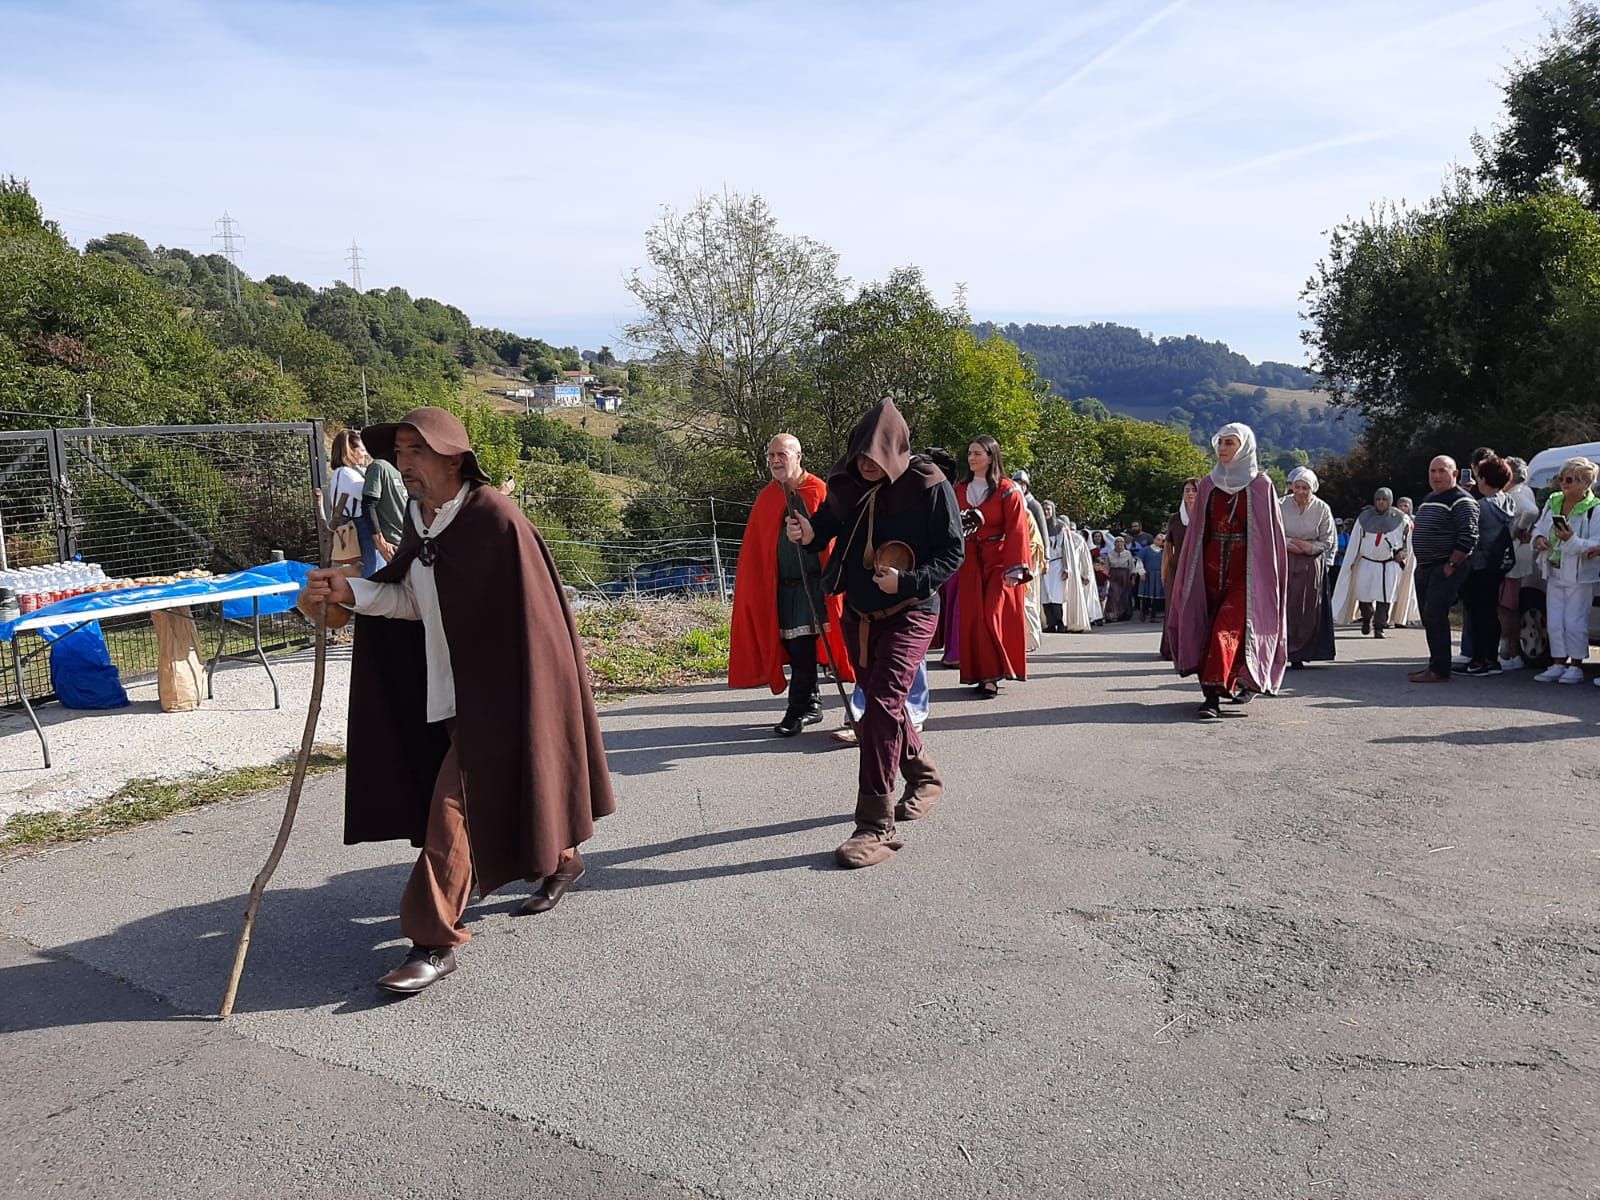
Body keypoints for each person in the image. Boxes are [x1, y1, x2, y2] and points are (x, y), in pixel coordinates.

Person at [302, 406, 615, 994]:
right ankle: (562, 858)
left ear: (452, 456)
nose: (402, 463)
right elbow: (413, 603)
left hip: (501, 698)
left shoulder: (494, 518)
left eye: (414, 451)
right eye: (397, 453)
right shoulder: (425, 522)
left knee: (455, 809)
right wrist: (352, 590)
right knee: (502, 794)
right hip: (450, 692)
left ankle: (433, 939)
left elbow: (534, 626)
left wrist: (512, 696)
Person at [787, 399, 964, 868]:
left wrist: (906, 581)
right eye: (860, 456)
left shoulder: (930, 485)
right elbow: (825, 527)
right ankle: (924, 775)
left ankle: (874, 825)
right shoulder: (845, 484)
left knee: (882, 705)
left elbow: (952, 553)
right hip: (860, 615)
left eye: (874, 458)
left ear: (893, 452)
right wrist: (806, 532)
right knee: (883, 703)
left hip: (912, 610)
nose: (865, 466)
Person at [727, 434, 854, 737]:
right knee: (798, 650)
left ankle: (800, 708)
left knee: (810, 649)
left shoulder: (818, 490)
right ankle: (809, 704)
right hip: (784, 591)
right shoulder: (767, 498)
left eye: (781, 454)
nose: (774, 461)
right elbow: (756, 550)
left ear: (798, 456)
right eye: (770, 456)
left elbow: (835, 539)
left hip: (818, 588)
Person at [1165, 423, 1287, 719]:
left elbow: (1271, 537)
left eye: (1229, 443)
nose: (1222, 449)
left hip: (1247, 572)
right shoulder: (1208, 484)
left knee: (1227, 628)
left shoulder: (1261, 486)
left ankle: (1212, 696)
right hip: (1208, 568)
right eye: (1220, 442)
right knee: (1206, 627)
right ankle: (1227, 685)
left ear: (1244, 447)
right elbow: (1197, 533)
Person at [955, 436, 1031, 697]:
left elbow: (1018, 531)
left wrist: (1014, 569)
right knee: (974, 617)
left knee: (992, 614)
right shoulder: (959, 490)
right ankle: (982, 674)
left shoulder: (1007, 489)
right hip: (970, 561)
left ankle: (995, 674)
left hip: (998, 560)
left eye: (977, 453)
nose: (971, 458)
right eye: (969, 453)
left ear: (991, 456)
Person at [1407, 456, 1479, 684]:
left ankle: (1439, 670)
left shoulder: (1462, 500)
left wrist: (1451, 564)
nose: (1436, 476)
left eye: (1442, 471)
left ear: (1455, 473)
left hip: (1446, 566)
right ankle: (1435, 664)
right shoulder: (1429, 498)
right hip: (1426, 567)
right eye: (1432, 471)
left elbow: (1469, 535)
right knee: (1430, 616)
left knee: (1435, 613)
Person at [1530, 456, 1600, 684]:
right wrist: (1539, 538)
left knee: (1574, 621)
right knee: (1554, 620)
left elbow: (1596, 544)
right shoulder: (1554, 501)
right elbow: (1540, 526)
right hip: (1554, 567)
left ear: (1585, 483)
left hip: (1580, 573)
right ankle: (1558, 662)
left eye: (1570, 479)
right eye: (1561, 479)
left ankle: (1576, 665)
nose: (1564, 483)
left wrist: (1572, 540)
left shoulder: (1595, 509)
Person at [1461, 456, 1517, 676]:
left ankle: (1480, 660)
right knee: (1490, 613)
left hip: (1478, 564)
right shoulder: (1508, 502)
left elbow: (1472, 534)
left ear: (1483, 478)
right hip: (1497, 564)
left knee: (1476, 613)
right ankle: (1489, 659)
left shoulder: (1481, 507)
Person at [1331, 488, 1410, 637]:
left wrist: (1403, 552)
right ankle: (1367, 617)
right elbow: (1355, 542)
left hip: (1389, 564)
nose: (1381, 502)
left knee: (1385, 598)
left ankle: (1379, 627)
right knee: (1364, 597)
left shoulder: (1401, 519)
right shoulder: (1364, 519)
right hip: (1367, 564)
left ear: (1389, 501)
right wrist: (1351, 562)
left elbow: (1407, 539)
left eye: (1384, 499)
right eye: (1378, 499)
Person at [1280, 466, 1337, 669]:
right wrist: (1290, 542)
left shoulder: (1322, 509)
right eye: (1297, 487)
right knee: (1286, 605)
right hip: (1286, 557)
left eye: (1305, 488)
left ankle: (1303, 652)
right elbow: (1272, 530)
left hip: (1311, 562)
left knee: (1307, 608)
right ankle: (1283, 650)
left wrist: (1310, 547)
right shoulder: (1281, 505)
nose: (1301, 492)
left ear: (1312, 489)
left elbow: (1328, 539)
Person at [1496, 456, 1541, 670]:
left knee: (1507, 607)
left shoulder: (1519, 493)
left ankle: (1510, 652)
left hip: (1512, 556)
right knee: (1508, 607)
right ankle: (1508, 651)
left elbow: (1532, 511)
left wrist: (1518, 530)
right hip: (1516, 555)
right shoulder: (1524, 491)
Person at [326, 430, 383, 578]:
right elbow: (369, 496)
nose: (365, 454)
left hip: (350, 524)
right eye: (362, 450)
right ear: (350, 450)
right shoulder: (346, 474)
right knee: (370, 567)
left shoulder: (342, 473)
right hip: (358, 525)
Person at [1160, 478, 1200, 660]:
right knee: (1174, 607)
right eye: (1187, 490)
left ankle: (1194, 648)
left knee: (1195, 608)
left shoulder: (1205, 516)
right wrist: (1164, 571)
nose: (1190, 493)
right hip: (1176, 569)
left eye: (1194, 490)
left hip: (1198, 567)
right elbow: (1168, 548)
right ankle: (1171, 647)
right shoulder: (1175, 519)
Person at [1011, 470, 1048, 652]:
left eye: (1021, 482)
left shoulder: (1032, 507)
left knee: (1028, 601)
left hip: (1029, 560)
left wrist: (1046, 557)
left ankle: (1031, 639)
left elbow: (1040, 536)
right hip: (1018, 560)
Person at [360, 443, 408, 566]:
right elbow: (368, 504)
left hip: (409, 542)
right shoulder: (379, 467)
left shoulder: (403, 468)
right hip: (391, 546)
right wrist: (380, 542)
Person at [1060, 519, 1102, 632]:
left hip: (1077, 573)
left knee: (1076, 598)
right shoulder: (1058, 537)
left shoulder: (1078, 539)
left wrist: (1086, 574)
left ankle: (1077, 622)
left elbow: (1085, 559)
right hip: (1062, 574)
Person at [1041, 501, 1067, 633]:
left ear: (1053, 510)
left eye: (1048, 509)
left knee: (1056, 596)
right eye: (1043, 509)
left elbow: (1066, 549)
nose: (1046, 512)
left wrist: (1066, 567)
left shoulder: (1060, 527)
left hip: (1057, 564)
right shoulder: (1040, 527)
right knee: (1045, 596)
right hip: (1043, 565)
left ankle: (1060, 622)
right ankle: (1050, 623)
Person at [1394, 497, 1420, 625]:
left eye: (1405, 505)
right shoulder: (1393, 520)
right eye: (1400, 505)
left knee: (1410, 585)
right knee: (1396, 585)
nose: (1403, 508)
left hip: (1411, 554)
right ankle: (1394, 615)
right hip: (1398, 554)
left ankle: (1407, 616)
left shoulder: (1415, 520)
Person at [1103, 536, 1140, 622]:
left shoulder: (1127, 554)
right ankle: (1112, 614)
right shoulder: (1110, 554)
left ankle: (1123, 614)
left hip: (1125, 575)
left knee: (1124, 595)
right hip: (1113, 576)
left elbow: (1131, 567)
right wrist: (1105, 578)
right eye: (1117, 542)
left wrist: (1133, 578)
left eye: (1121, 542)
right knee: (1114, 595)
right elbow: (1106, 567)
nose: (1119, 544)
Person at [1135, 533, 1166, 621]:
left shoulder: (1164, 551)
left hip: (1158, 575)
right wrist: (1141, 572)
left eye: (1162, 540)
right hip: (1148, 574)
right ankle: (1143, 614)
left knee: (1156, 596)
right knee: (1146, 595)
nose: (1159, 541)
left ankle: (1153, 616)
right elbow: (1140, 561)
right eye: (1158, 539)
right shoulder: (1146, 550)